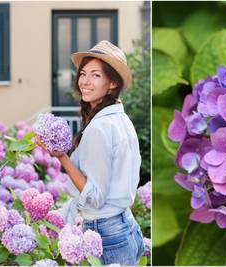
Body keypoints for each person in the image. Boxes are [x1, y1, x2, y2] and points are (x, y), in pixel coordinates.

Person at [35, 40, 144, 265]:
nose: (85, 81)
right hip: (127, 228)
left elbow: (94, 197)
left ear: (112, 82)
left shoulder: (100, 128)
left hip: (105, 235)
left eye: (95, 75)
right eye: (83, 73)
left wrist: (61, 156)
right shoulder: (122, 120)